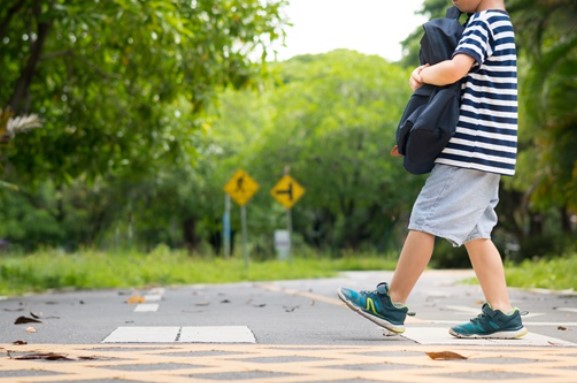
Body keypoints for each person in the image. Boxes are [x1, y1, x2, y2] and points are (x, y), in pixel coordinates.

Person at [337, 0, 528, 339]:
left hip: (468, 151)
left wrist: (423, 73)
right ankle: (501, 313)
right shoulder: (501, 25)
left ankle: (392, 302)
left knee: (425, 219)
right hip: (488, 152)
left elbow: (455, 70)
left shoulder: (483, 24)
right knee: (477, 233)